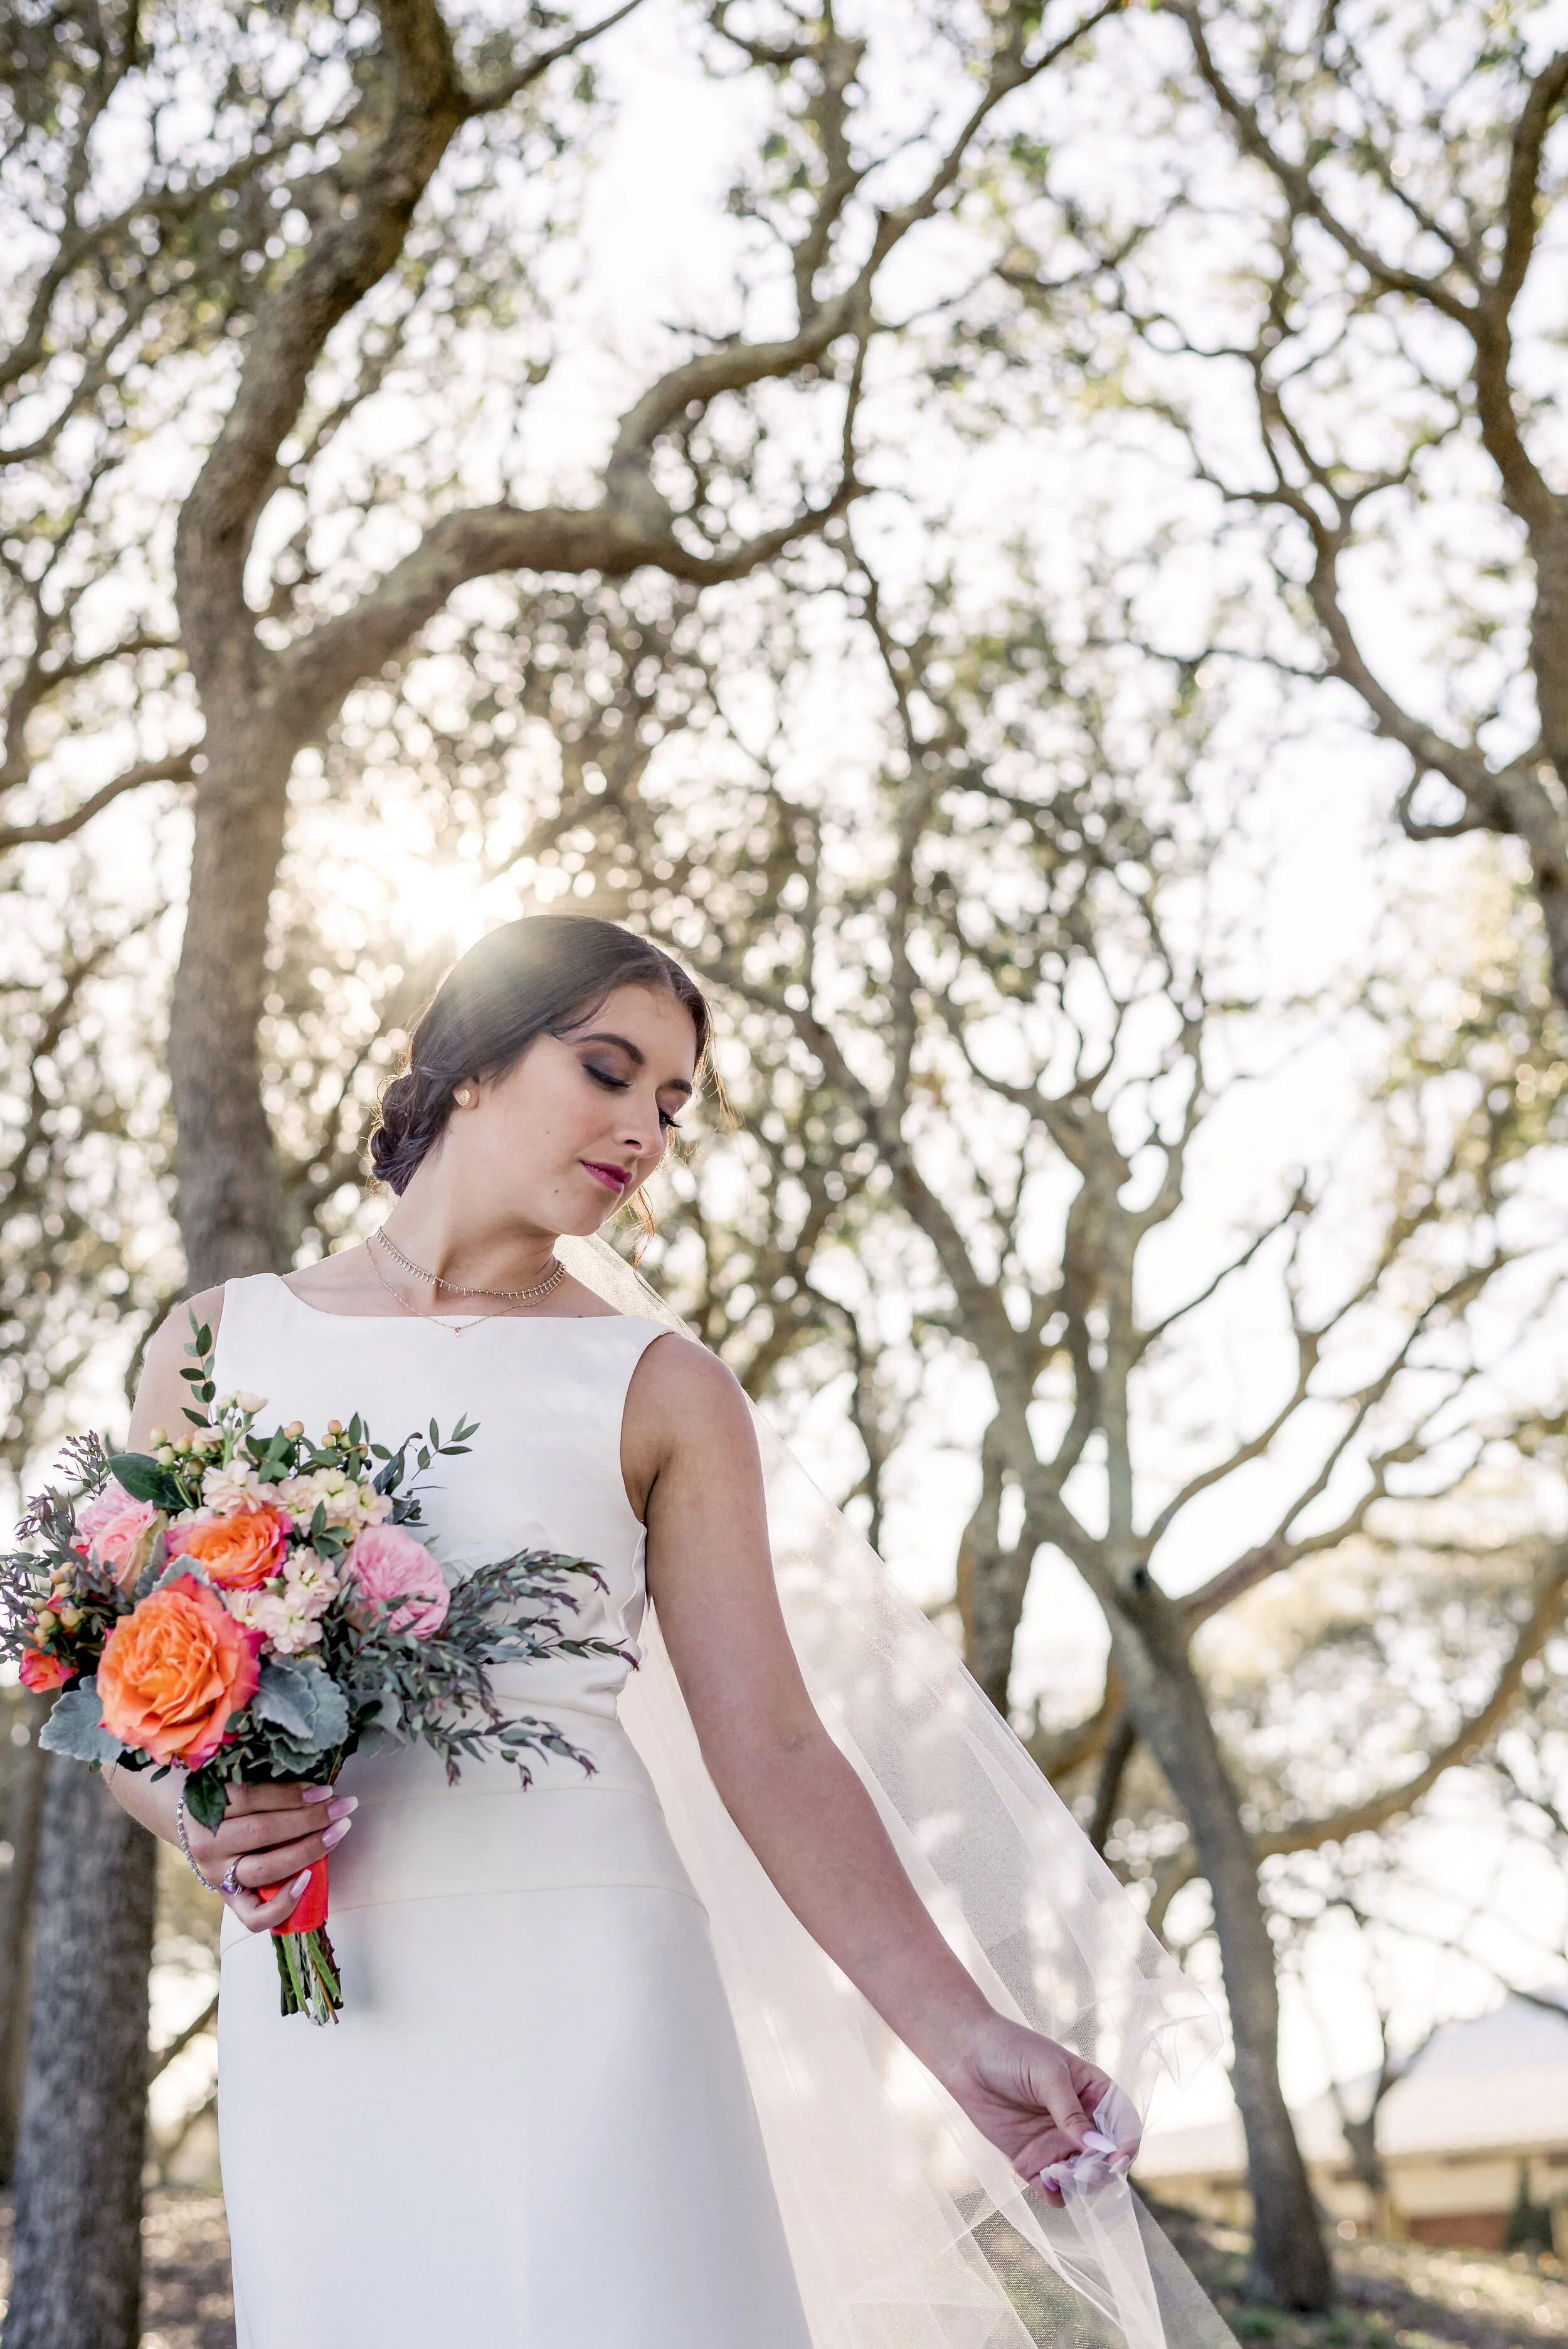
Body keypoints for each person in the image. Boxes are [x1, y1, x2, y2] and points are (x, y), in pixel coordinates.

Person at [108, 914, 1147, 2347]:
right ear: (471, 1061)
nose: (644, 1131)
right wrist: (203, 1817)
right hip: (324, 2007)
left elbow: (773, 1745)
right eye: (608, 1071)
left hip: (594, 1979)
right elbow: (127, 1702)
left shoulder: (663, 1387)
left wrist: (964, 2036)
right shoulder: (216, 1344)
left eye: (671, 1104)